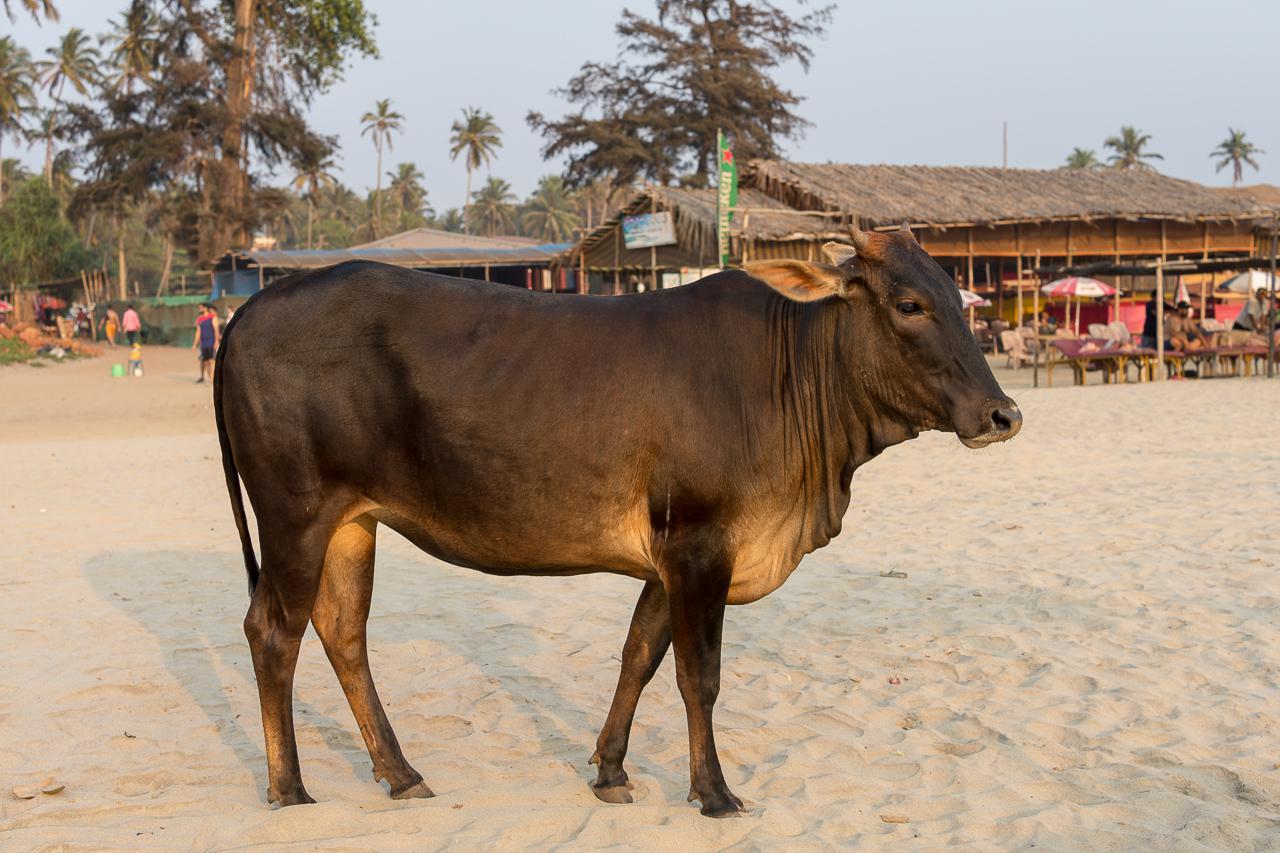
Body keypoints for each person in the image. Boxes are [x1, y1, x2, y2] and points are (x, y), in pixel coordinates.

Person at [192, 303, 220, 384]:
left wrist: (216, 341)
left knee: (211, 361)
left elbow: (216, 330)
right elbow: (198, 332)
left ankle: (212, 379)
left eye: (200, 307)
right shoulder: (199, 319)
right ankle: (209, 377)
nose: (199, 309)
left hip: (211, 342)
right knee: (205, 362)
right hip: (203, 343)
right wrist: (194, 345)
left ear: (205, 308)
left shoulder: (213, 317)